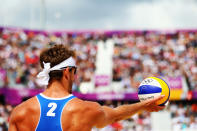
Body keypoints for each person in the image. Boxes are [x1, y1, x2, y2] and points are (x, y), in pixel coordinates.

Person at [9, 44, 165, 131]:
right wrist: (143, 105)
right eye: (74, 71)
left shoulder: (20, 112)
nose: (75, 76)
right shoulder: (86, 110)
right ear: (67, 72)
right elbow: (116, 114)